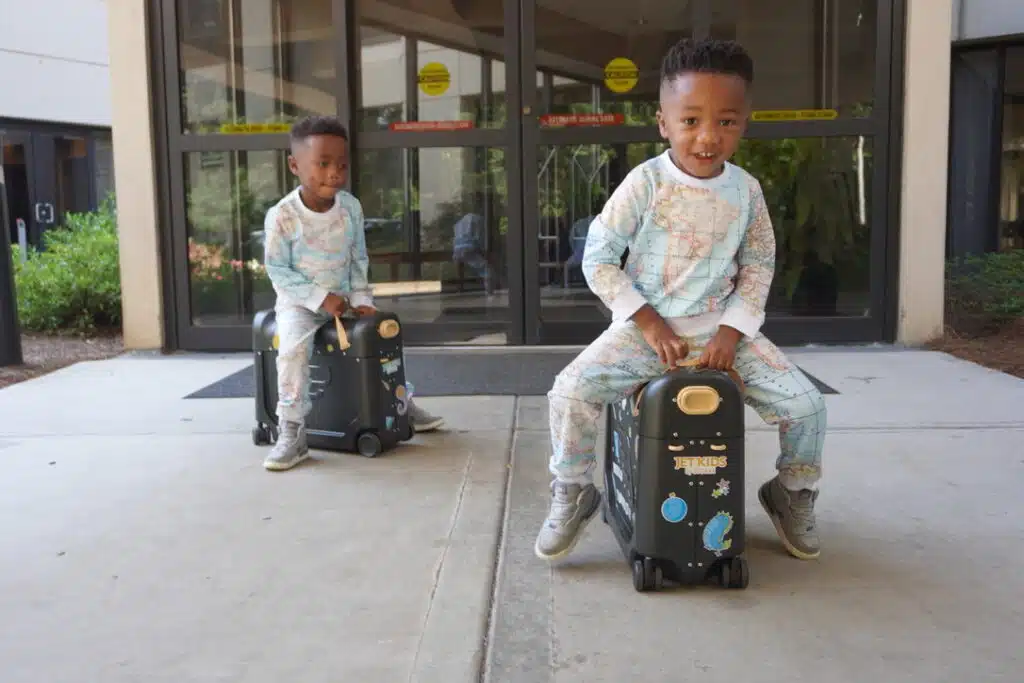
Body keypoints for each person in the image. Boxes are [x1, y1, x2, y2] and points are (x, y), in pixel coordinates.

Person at [535, 38, 827, 562]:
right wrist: (648, 324)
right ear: (663, 123)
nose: (708, 137)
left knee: (807, 407)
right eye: (691, 120)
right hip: (646, 334)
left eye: (726, 121)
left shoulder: (746, 191)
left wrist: (731, 333)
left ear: (744, 123)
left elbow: (759, 264)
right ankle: (573, 488)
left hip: (724, 336)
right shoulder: (645, 183)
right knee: (569, 392)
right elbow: (598, 258)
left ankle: (791, 493)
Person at [262, 115, 445, 472]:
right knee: (292, 353)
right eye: (323, 164)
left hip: (345, 300)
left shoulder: (350, 208)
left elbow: (358, 258)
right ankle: (292, 431)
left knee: (380, 341)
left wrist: (361, 300)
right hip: (301, 305)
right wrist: (319, 298)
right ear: (295, 165)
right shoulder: (283, 215)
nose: (334, 173)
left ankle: (400, 406)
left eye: (342, 165)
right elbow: (277, 271)